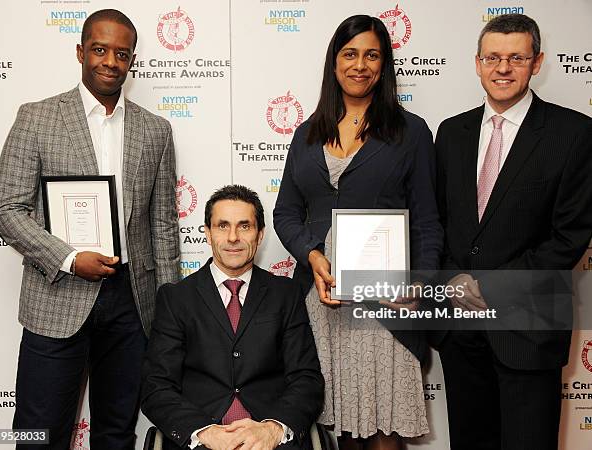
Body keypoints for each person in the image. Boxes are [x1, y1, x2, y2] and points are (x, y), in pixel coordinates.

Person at [0, 9, 179, 449]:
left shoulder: (156, 130)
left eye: (121, 53)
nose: (110, 61)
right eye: (99, 49)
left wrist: (169, 310)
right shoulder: (36, 118)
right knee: (38, 433)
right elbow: (6, 209)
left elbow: (163, 225)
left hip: (132, 302)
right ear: (80, 52)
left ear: (133, 60)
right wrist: (70, 259)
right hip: (57, 297)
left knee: (116, 430)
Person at [273, 14, 442, 450]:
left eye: (371, 55)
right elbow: (286, 213)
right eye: (350, 54)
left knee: (384, 429)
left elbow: (426, 222)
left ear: (383, 66)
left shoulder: (411, 132)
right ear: (334, 63)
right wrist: (312, 255)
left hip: (384, 304)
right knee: (337, 426)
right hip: (321, 299)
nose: (359, 65)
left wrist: (418, 285)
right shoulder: (305, 134)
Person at [434, 13, 592, 450]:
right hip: (461, 331)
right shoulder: (451, 133)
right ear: (478, 62)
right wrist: (452, 283)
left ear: (536, 62)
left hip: (529, 330)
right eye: (493, 58)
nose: (503, 68)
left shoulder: (574, 134)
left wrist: (489, 286)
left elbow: (570, 236)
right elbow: (438, 224)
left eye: (516, 58)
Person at [141, 185, 324, 450]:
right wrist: (203, 432)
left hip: (269, 440)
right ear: (207, 232)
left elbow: (306, 379)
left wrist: (273, 429)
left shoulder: (285, 294)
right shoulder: (175, 298)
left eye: (245, 226)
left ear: (260, 234)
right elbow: (156, 387)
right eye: (222, 226)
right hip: (201, 441)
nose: (233, 237)